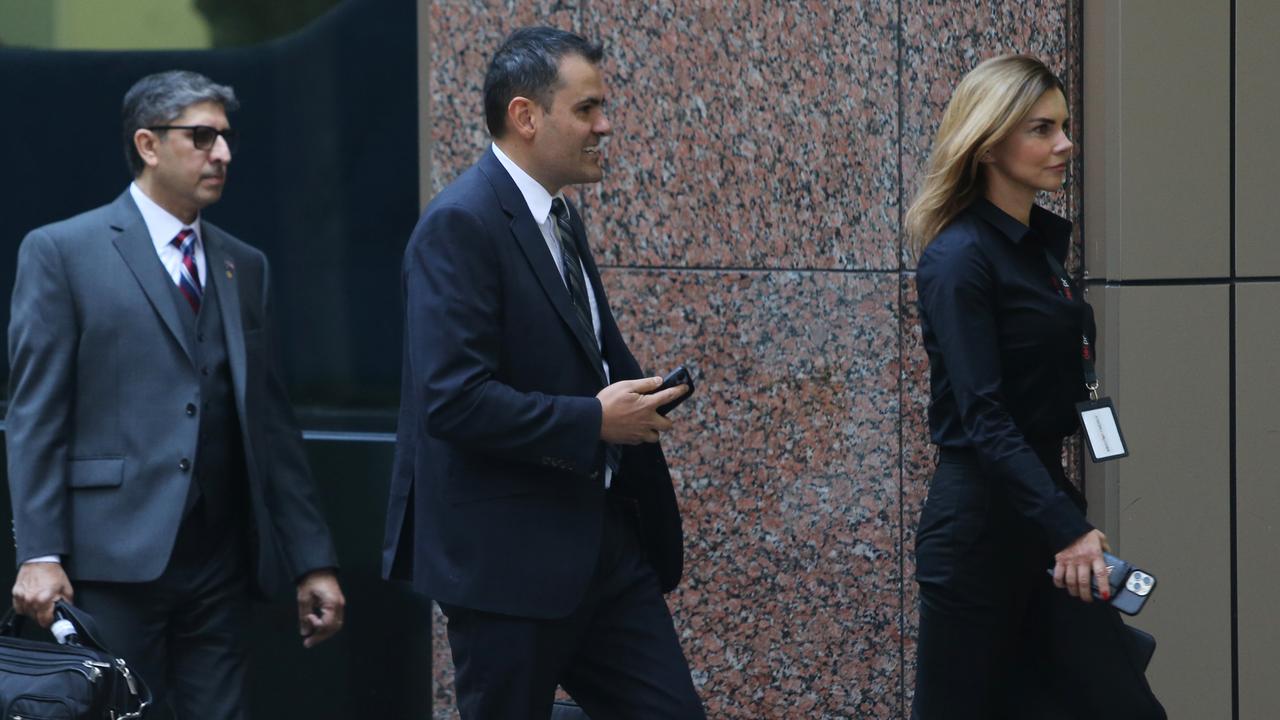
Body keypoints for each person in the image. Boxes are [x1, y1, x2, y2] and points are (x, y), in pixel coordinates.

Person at [382, 26, 705, 720]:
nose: (605, 125)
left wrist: (645, 396)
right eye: (587, 109)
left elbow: (583, 355)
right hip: (507, 568)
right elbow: (453, 401)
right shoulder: (459, 226)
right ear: (526, 116)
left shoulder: (559, 221)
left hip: (604, 549)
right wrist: (596, 420)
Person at [7, 70, 345, 720]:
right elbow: (36, 417)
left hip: (220, 562)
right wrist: (39, 555)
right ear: (148, 144)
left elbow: (270, 424)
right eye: (201, 136)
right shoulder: (62, 252)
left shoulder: (243, 264)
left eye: (226, 137)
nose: (221, 153)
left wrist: (312, 561)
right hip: (107, 564)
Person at [905, 55, 1165, 719]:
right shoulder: (959, 259)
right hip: (982, 532)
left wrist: (1061, 522)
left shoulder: (1035, 250)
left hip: (1042, 515)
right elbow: (983, 417)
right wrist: (1069, 531)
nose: (1066, 144)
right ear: (989, 142)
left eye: (1065, 126)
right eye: (1042, 129)